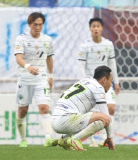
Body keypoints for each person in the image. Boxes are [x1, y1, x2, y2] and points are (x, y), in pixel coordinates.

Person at [50, 65, 116, 151]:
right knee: (105, 119)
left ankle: (64, 140)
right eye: (111, 82)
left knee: (95, 117)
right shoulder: (98, 87)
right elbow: (106, 116)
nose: (111, 85)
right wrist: (110, 137)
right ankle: (75, 139)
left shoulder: (85, 81)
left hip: (55, 120)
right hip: (66, 119)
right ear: (104, 80)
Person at [77, 18, 120, 147]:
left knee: (110, 108)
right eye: (93, 26)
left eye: (98, 26)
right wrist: (83, 83)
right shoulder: (85, 46)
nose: (96, 28)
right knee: (92, 114)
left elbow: (112, 64)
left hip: (106, 83)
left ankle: (104, 138)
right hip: (91, 84)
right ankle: (91, 140)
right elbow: (81, 66)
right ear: (90, 28)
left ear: (102, 28)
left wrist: (116, 82)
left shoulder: (108, 44)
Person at [14, 12, 55, 148]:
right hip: (24, 79)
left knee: (44, 108)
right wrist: (28, 67)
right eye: (35, 24)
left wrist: (51, 76)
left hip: (41, 79)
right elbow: (19, 58)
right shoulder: (21, 39)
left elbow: (49, 58)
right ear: (30, 24)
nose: (38, 27)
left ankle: (49, 138)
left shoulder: (47, 40)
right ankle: (23, 139)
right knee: (22, 111)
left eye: (40, 24)